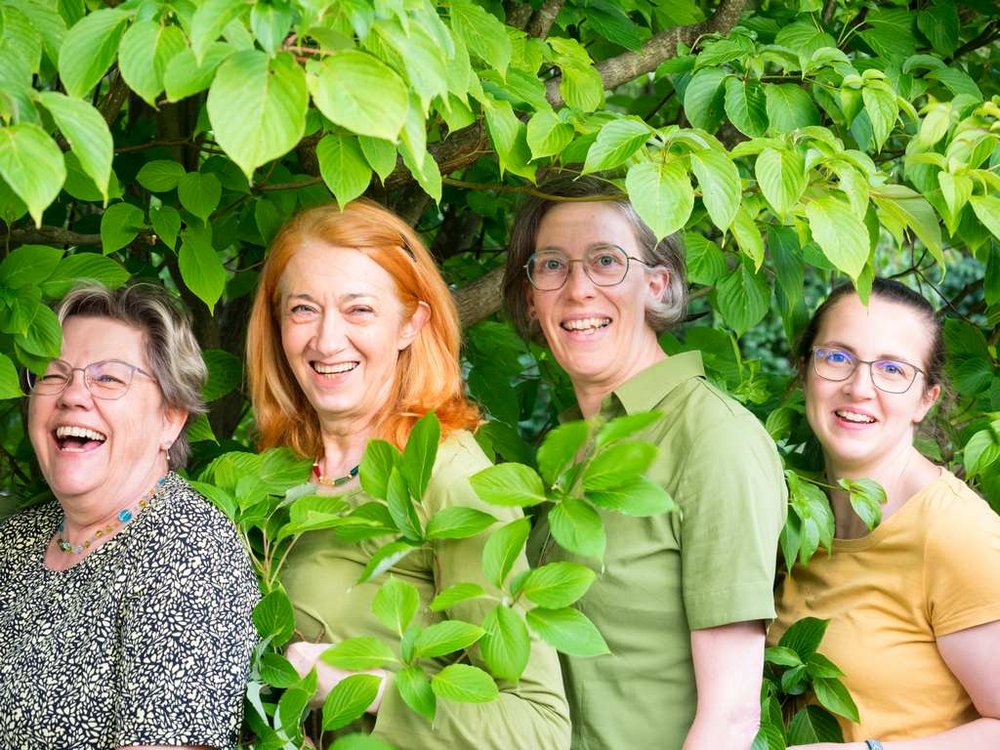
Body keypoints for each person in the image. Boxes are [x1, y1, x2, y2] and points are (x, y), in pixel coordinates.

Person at [246, 199, 570, 747]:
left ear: (411, 323)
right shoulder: (275, 475)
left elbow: (538, 728)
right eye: (303, 309)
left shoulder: (447, 477)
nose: (326, 341)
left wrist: (365, 687)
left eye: (359, 311)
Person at [501, 173, 787, 749]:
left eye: (606, 261)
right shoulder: (576, 445)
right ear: (531, 299)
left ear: (658, 285)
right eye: (552, 265)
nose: (578, 289)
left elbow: (730, 719)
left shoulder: (711, 438)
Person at [0, 283, 259, 749]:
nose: (72, 395)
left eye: (109, 379)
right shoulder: (13, 541)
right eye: (54, 376)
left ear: (170, 418)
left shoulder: (189, 554)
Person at [771, 278, 1000, 748]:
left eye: (893, 369)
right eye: (837, 357)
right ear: (804, 370)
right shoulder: (784, 507)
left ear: (926, 399)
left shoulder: (957, 534)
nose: (859, 387)